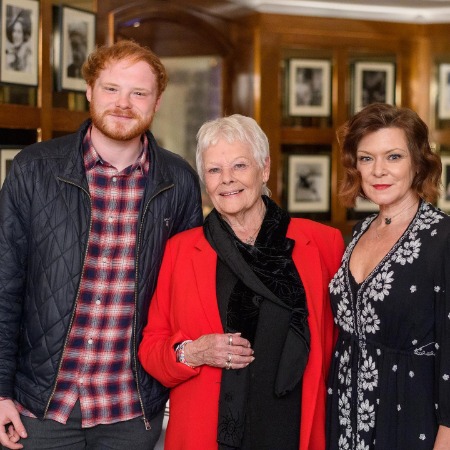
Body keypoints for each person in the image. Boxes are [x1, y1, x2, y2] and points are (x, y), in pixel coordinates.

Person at [0, 40, 203, 449]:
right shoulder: (33, 169)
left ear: (156, 102)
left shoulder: (179, 181)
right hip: (40, 408)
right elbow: (4, 286)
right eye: (111, 88)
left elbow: (185, 298)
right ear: (90, 91)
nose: (123, 103)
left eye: (138, 93)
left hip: (132, 410)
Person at [138, 114, 345, 450]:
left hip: (293, 430)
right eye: (214, 170)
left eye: (239, 165)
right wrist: (194, 352)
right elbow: (151, 349)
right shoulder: (180, 250)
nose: (227, 179)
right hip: (208, 435)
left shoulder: (323, 244)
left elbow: (343, 350)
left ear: (264, 169)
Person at [327, 103, 450, 450]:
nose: (378, 170)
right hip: (345, 414)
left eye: (393, 157)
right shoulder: (360, 230)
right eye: (366, 158)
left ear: (418, 162)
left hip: (409, 418)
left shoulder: (443, 238)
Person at [5, 7, 33, 72]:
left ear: (24, 35)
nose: (15, 35)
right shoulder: (8, 55)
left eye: (19, 32)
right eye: (14, 31)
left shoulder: (29, 57)